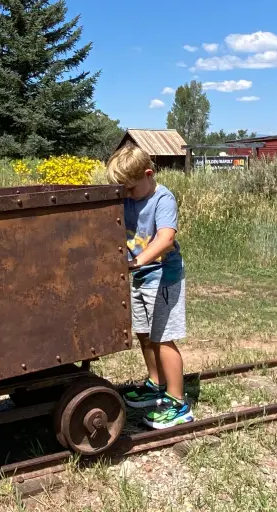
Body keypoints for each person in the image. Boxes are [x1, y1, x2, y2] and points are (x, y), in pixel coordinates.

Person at [106, 143, 194, 429]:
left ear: (148, 174)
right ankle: (156, 384)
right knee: (145, 334)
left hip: (163, 276)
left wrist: (137, 261)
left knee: (163, 338)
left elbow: (165, 238)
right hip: (142, 276)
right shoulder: (130, 197)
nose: (127, 196)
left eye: (130, 189)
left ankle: (177, 402)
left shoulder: (162, 198)